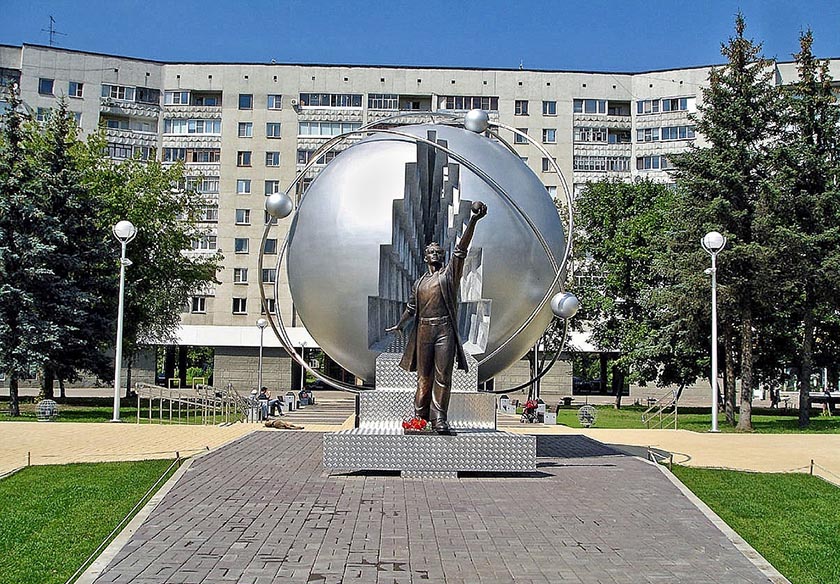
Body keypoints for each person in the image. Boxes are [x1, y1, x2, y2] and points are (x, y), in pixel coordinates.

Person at [386, 201, 487, 434]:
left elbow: (460, 250)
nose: (435, 254)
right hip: (423, 331)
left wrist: (473, 220)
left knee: (443, 376)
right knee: (424, 377)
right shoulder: (419, 283)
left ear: (443, 257)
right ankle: (419, 418)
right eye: (431, 252)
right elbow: (412, 308)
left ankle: (439, 418)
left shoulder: (448, 276)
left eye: (439, 252)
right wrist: (400, 324)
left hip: (444, 330)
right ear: (425, 258)